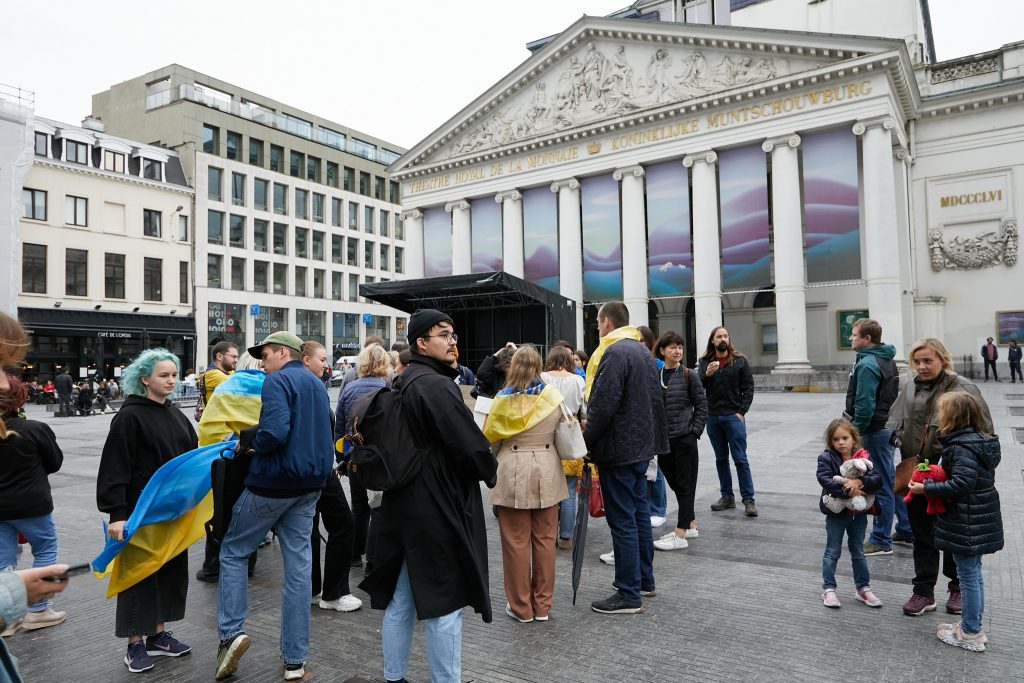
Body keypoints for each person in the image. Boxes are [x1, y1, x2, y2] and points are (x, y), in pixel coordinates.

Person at [359, 309, 497, 683]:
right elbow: (470, 446)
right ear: (422, 342)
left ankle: (394, 677)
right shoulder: (435, 385)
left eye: (453, 334)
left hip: (402, 503)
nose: (453, 341)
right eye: (444, 335)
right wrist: (489, 469)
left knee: (400, 600)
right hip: (434, 507)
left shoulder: (408, 379)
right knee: (444, 602)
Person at [215, 331, 334, 682]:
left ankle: (230, 635)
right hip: (311, 485)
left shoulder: (277, 381)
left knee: (234, 551)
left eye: (265, 354)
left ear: (283, 352)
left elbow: (275, 432)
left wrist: (253, 444)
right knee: (298, 568)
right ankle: (295, 660)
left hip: (274, 482)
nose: (262, 362)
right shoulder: (315, 383)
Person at [97, 348, 198, 674]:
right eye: (163, 375)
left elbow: (190, 461)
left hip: (172, 514)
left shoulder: (176, 414)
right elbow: (115, 467)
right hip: (140, 513)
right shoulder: (129, 417)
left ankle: (158, 636)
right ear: (144, 379)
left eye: (173, 375)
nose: (171, 381)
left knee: (169, 572)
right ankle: (134, 644)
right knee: (139, 576)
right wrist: (117, 514)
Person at [885, 337, 993, 617]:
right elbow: (894, 424)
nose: (921, 366)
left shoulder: (963, 387)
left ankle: (957, 588)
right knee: (922, 535)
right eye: (917, 361)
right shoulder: (908, 387)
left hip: (952, 475)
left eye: (927, 360)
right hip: (918, 474)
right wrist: (898, 439)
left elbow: (985, 434)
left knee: (953, 534)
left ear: (943, 359)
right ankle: (923, 591)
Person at [582, 302, 668, 614]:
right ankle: (645, 581)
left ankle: (629, 593)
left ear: (605, 323)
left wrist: (584, 441)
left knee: (623, 522)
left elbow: (603, 406)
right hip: (641, 448)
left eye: (597, 324)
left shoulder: (615, 352)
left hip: (619, 450)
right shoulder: (642, 351)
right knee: (638, 516)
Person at [909, 391, 1002, 652]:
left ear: (954, 417)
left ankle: (971, 631)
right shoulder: (977, 441)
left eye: (942, 412)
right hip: (975, 517)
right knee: (973, 574)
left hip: (967, 520)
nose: (939, 417)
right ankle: (969, 624)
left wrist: (925, 488)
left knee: (968, 575)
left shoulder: (961, 448)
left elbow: (962, 483)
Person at [485, 346, 569, 623]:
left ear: (511, 367)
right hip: (547, 469)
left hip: (512, 469)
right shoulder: (552, 397)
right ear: (539, 366)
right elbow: (562, 434)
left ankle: (521, 608)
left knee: (515, 542)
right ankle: (543, 606)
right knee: (545, 540)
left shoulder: (501, 400)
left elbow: (491, 442)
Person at [0, 376, 66, 636]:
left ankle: (7, 615)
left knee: (3, 558)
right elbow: (55, 463)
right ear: (19, 399)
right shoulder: (35, 429)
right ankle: (38, 611)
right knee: (46, 549)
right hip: (32, 504)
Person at [301, 341, 360, 614]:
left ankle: (315, 589)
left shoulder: (311, 387)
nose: (327, 364)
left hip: (313, 469)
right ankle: (334, 593)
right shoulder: (310, 388)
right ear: (305, 360)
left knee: (312, 529)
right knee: (343, 524)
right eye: (323, 359)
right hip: (319, 469)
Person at [195, 352, 265, 583]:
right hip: (260, 460)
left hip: (229, 462)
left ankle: (214, 566)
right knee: (251, 515)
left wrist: (227, 443)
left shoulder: (230, 385)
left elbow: (209, 425)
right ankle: (248, 564)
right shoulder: (271, 385)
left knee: (221, 513)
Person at [845, 318, 910, 556]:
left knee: (881, 484)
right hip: (887, 428)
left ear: (867, 339)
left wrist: (855, 432)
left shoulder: (868, 364)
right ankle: (906, 529)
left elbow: (864, 404)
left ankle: (881, 539)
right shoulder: (886, 358)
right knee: (890, 480)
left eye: (854, 335)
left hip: (874, 429)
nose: (850, 338)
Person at [816, 419, 883, 609]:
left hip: (858, 514)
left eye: (845, 438)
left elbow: (877, 479)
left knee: (858, 552)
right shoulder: (826, 458)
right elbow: (825, 480)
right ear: (831, 442)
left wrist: (860, 483)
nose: (841, 442)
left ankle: (863, 588)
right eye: (836, 439)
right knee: (832, 551)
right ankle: (828, 589)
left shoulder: (864, 456)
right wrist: (849, 491)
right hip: (836, 513)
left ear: (854, 438)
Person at [335, 344, 391, 573]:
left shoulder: (349, 389)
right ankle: (374, 561)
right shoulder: (388, 389)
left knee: (358, 508)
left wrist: (342, 458)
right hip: (379, 459)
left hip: (355, 457)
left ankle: (355, 554)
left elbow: (340, 428)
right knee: (378, 508)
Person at [651, 332, 707, 552]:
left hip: (685, 438)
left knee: (685, 484)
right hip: (663, 441)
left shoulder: (688, 375)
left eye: (680, 347)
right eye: (673, 347)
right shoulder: (656, 374)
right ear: (663, 350)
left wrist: (694, 432)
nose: (677, 351)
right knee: (676, 483)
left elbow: (702, 406)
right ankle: (691, 522)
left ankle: (681, 532)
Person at [698, 326, 757, 517]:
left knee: (740, 459)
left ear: (729, 340)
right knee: (721, 459)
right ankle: (727, 497)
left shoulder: (740, 361)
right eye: (718, 336)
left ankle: (748, 500)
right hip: (713, 417)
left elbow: (748, 388)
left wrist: (741, 412)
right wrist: (707, 374)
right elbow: (699, 386)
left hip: (733, 417)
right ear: (713, 341)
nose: (722, 339)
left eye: (725, 336)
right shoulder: (705, 362)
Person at [540, 346, 586, 550]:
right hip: (570, 432)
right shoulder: (578, 380)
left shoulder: (542, 377)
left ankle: (546, 534)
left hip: (546, 433)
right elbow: (583, 410)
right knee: (568, 490)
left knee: (548, 487)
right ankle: (566, 537)